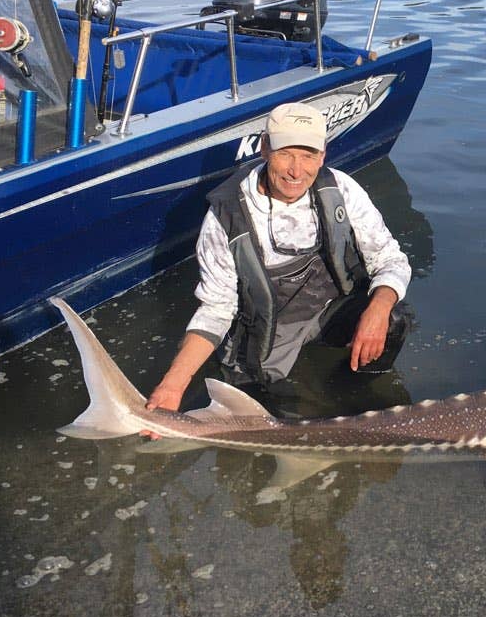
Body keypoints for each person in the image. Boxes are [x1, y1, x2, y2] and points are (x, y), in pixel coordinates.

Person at [147, 102, 412, 413]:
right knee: (268, 421)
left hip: (324, 309)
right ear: (264, 148)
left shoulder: (341, 189)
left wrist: (378, 309)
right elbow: (217, 309)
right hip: (263, 333)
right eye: (285, 153)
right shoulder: (227, 217)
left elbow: (390, 259)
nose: (296, 171)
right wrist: (173, 385)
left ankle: (348, 393)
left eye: (307, 156)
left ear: (322, 155)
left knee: (393, 317)